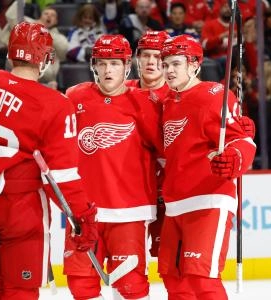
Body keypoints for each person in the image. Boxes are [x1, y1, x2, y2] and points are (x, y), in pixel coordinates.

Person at [0, 21, 98, 299]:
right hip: (20, 209)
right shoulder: (56, 104)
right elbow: (61, 177)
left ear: (11, 52)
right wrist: (82, 217)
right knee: (20, 290)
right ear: (45, 59)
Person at [64, 34, 163, 299]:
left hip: (129, 211)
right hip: (83, 211)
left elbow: (168, 148)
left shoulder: (144, 102)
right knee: (80, 284)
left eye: (115, 64)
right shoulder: (74, 96)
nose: (108, 70)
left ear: (127, 66)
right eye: (103, 63)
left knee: (130, 286)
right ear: (93, 65)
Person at [158, 34, 256, 299]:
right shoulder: (167, 102)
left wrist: (234, 159)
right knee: (173, 278)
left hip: (209, 199)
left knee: (202, 278)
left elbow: (243, 140)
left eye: (176, 64)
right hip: (176, 202)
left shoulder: (214, 95)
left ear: (194, 65)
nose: (169, 70)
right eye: (165, 64)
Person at [126, 30, 170, 259]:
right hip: (129, 194)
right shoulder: (121, 91)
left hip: (167, 194)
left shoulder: (177, 97)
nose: (151, 62)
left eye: (158, 56)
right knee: (129, 265)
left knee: (170, 266)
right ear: (137, 57)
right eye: (146, 55)